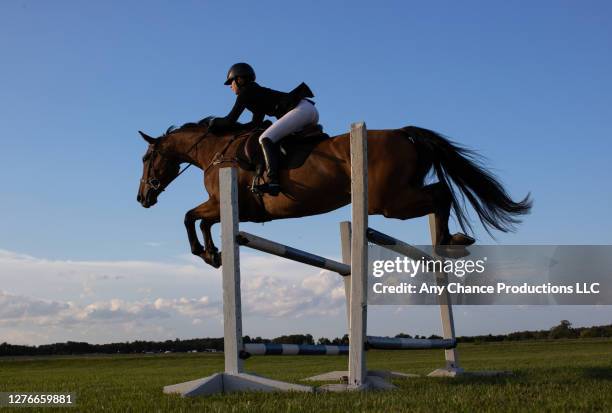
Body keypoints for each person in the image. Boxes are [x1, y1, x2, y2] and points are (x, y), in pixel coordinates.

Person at [211, 63, 319, 196]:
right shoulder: (255, 92)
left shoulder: (246, 93)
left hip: (301, 110)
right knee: (275, 138)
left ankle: (273, 182)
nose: (230, 87)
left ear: (239, 80)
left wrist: (213, 123)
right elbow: (254, 124)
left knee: (265, 138)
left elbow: (229, 120)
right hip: (307, 110)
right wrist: (236, 127)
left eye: (231, 82)